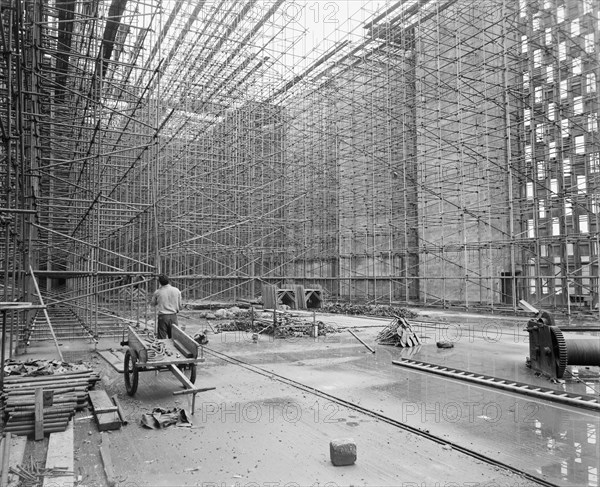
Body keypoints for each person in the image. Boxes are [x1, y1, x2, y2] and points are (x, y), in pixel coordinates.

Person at [151, 274, 183, 339]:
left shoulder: (158, 292)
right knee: (174, 339)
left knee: (162, 339)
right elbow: (180, 306)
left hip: (163, 317)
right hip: (173, 316)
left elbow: (153, 304)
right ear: (169, 281)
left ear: (159, 282)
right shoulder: (177, 290)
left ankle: (163, 349)